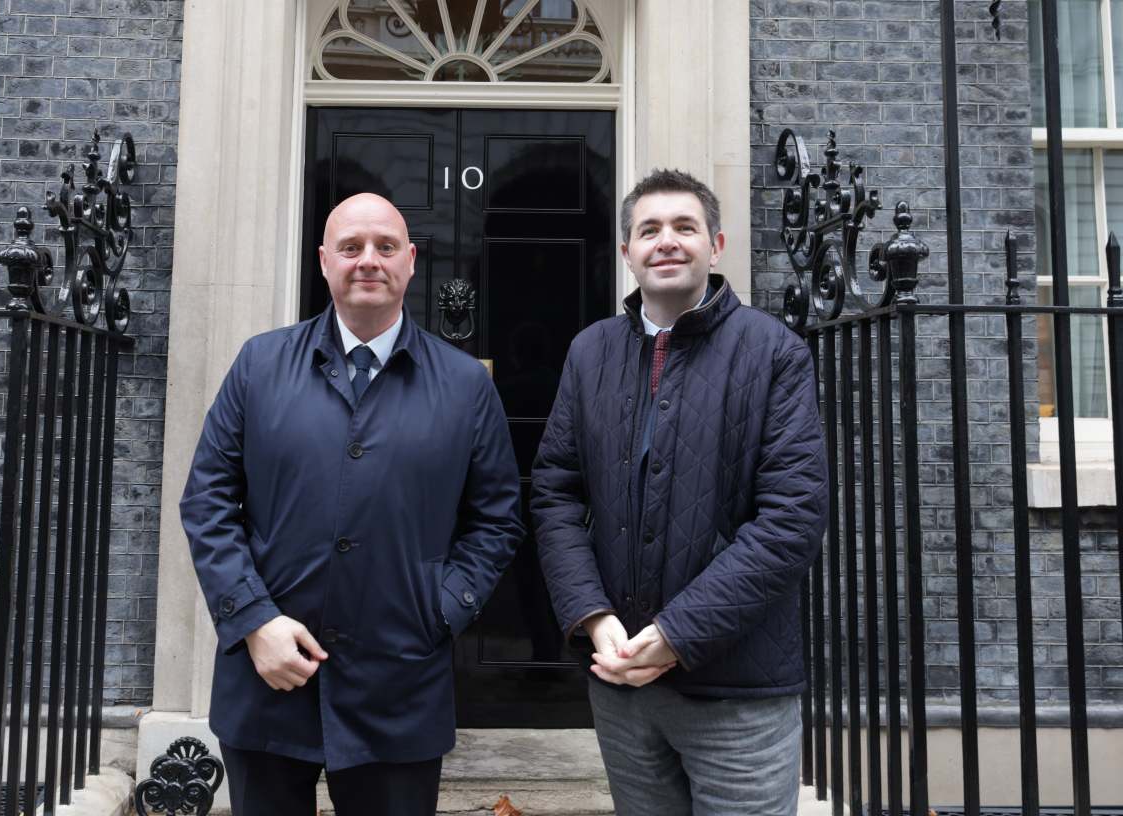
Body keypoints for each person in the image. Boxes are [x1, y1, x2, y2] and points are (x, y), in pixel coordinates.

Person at [180, 193, 523, 816]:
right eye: (351, 247)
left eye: (386, 247)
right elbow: (206, 499)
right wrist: (254, 621)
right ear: (323, 261)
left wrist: (441, 611)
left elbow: (497, 518)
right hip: (267, 678)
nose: (369, 260)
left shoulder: (466, 384)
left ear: (411, 261)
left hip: (400, 679)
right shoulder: (260, 364)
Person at [531, 168, 828, 816]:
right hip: (620, 688)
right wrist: (591, 616)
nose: (666, 241)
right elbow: (554, 491)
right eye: (649, 229)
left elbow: (792, 519)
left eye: (684, 227)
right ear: (627, 252)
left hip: (736, 690)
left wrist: (676, 634)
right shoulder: (590, 352)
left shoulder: (772, 352)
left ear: (715, 245)